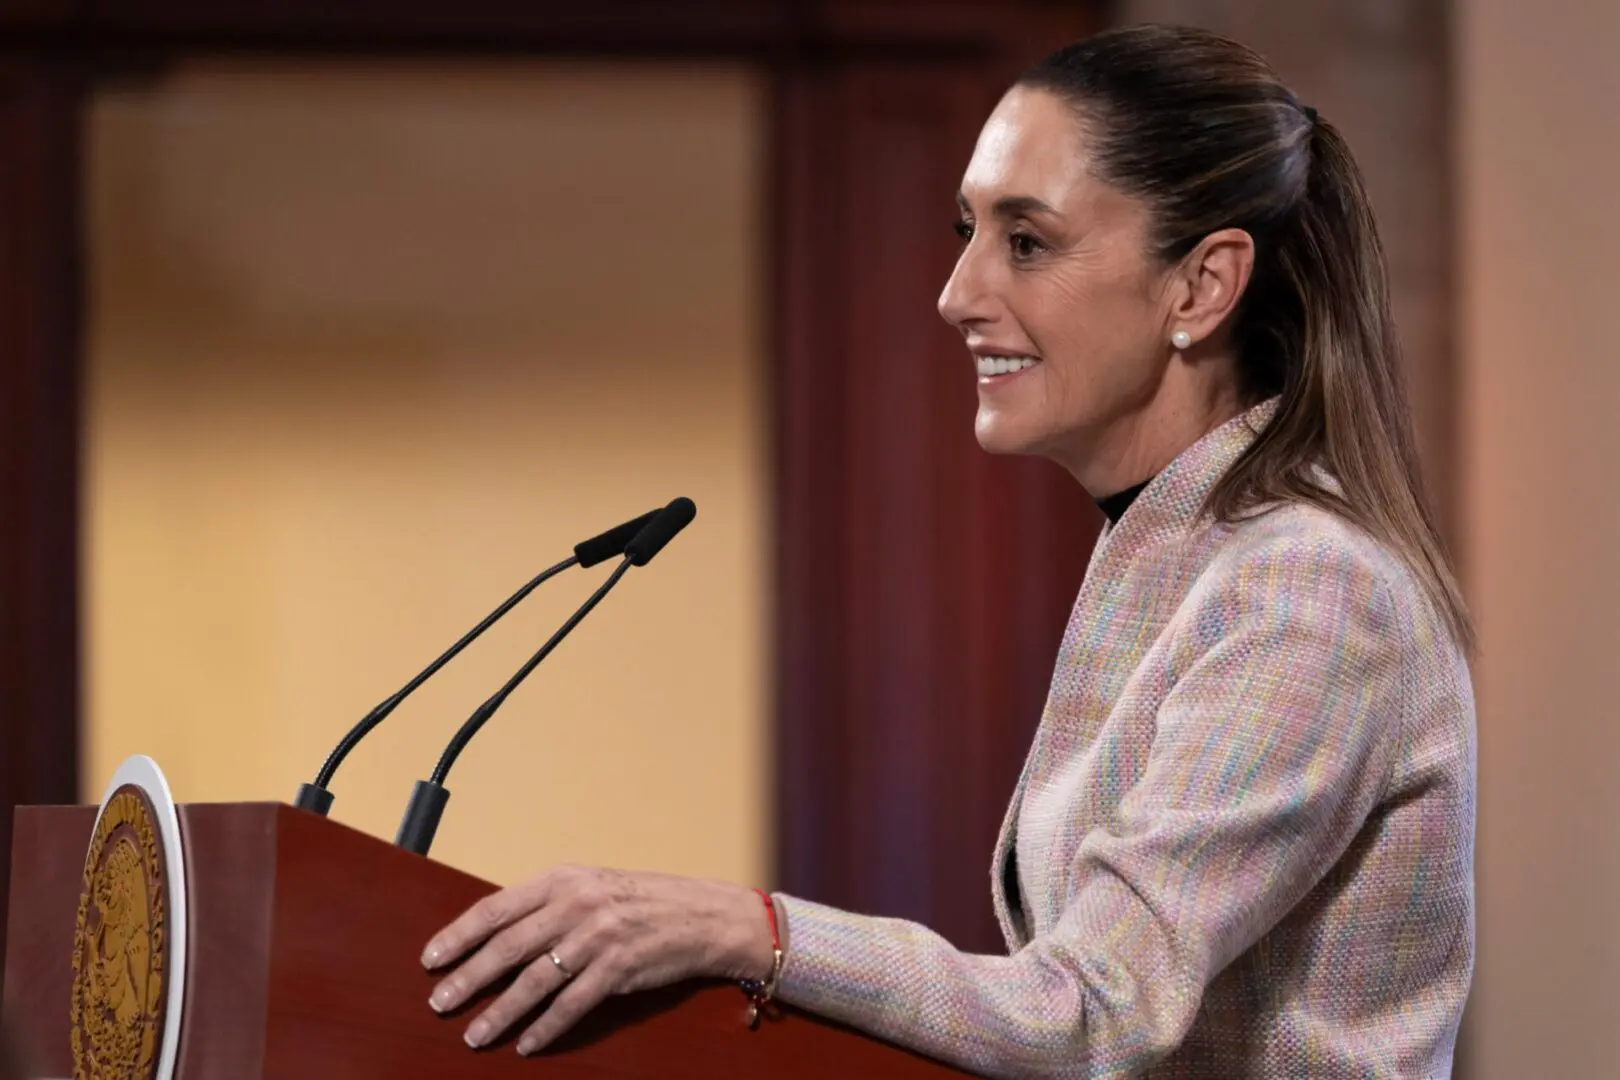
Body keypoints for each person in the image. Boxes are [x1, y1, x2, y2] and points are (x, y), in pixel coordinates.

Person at [419, 23, 1475, 1078]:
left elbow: (1093, 1011)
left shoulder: (1307, 589)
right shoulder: (1182, 557)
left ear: (1200, 287)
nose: (958, 293)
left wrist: (750, 931)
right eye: (967, 229)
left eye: (1027, 241)